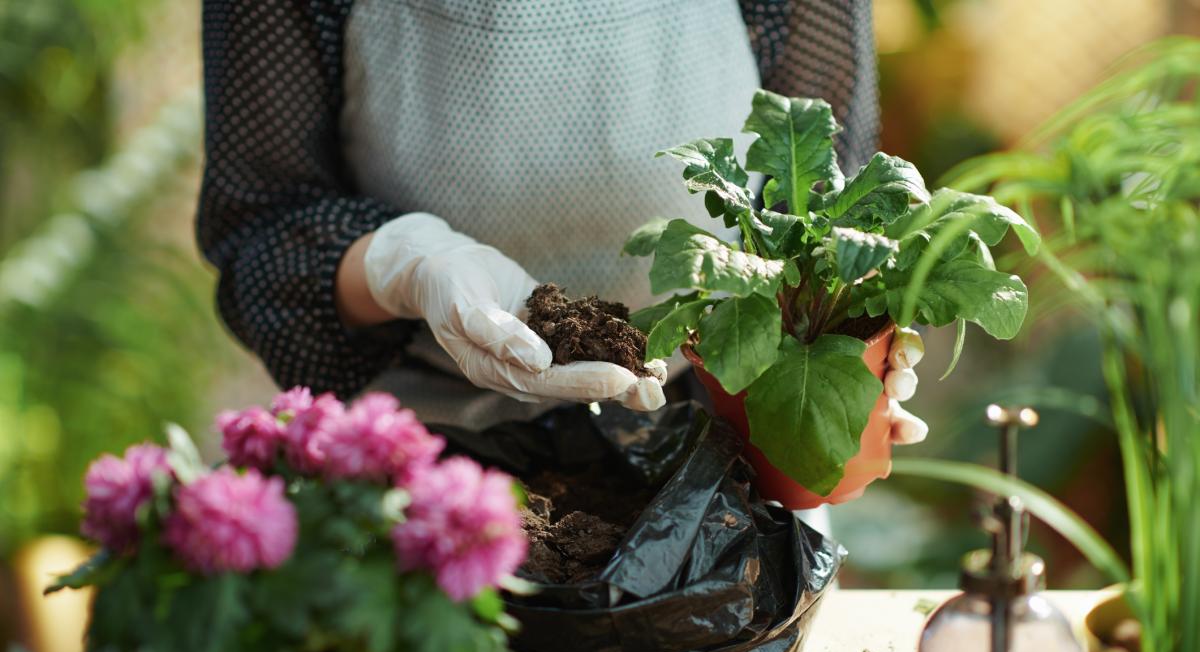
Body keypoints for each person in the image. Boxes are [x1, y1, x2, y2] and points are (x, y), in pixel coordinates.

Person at [196, 0, 927, 446]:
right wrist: (409, 264)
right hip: (422, 454)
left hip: (719, 424)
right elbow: (262, 231)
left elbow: (830, 187)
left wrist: (839, 378)